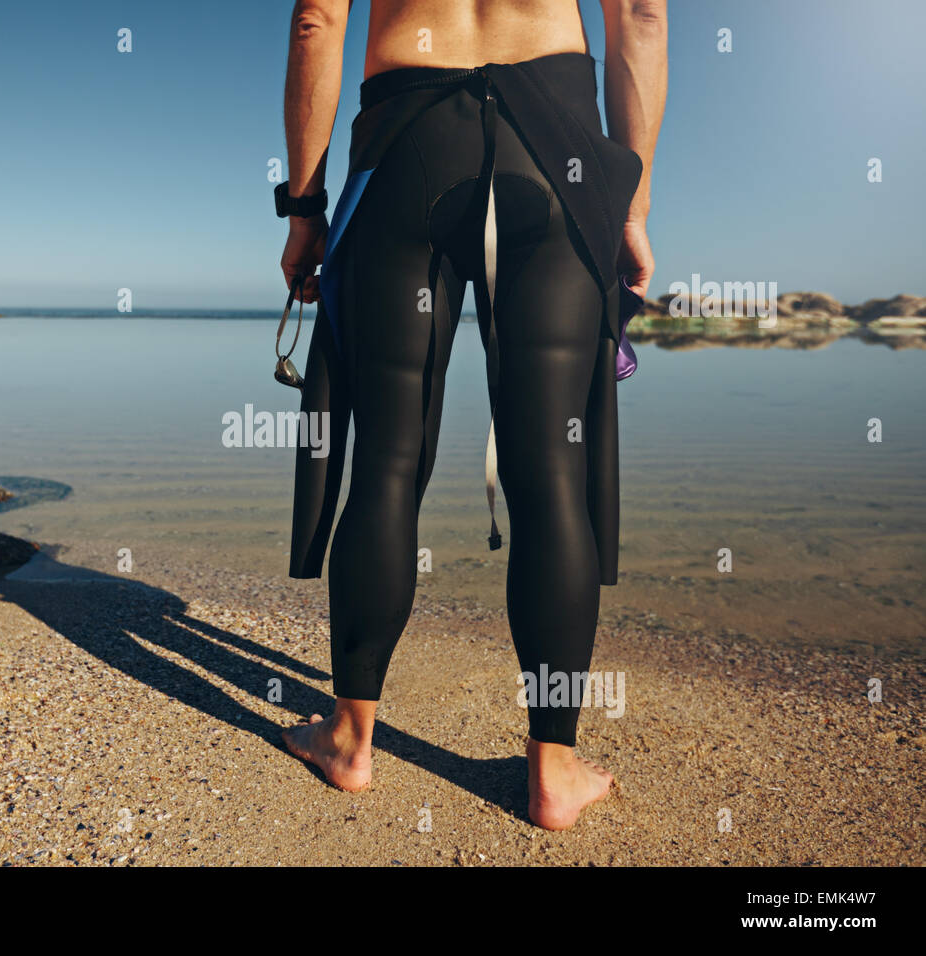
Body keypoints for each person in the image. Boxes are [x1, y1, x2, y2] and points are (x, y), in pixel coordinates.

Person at [275, 0, 666, 830]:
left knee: (386, 457)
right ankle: (552, 774)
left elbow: (317, 21)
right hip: (554, 145)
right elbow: (640, 14)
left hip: (403, 140)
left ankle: (350, 740)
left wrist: (305, 210)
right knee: (551, 474)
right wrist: (627, 208)